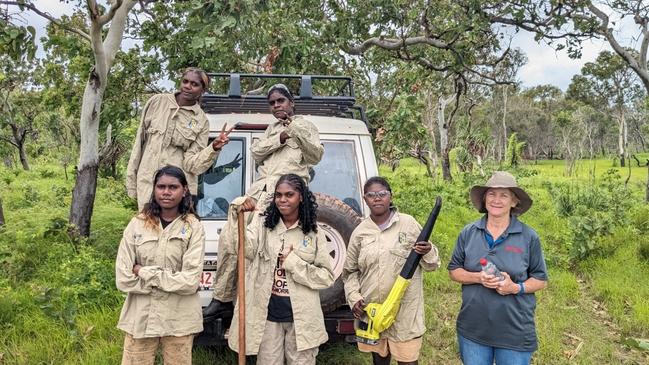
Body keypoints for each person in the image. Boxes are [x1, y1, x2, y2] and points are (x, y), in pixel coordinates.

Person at [203, 83, 324, 318]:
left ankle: (246, 301)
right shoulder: (271, 129)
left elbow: (315, 155)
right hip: (261, 188)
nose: (277, 106)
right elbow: (257, 152)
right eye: (272, 103)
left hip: (286, 191)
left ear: (291, 102)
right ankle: (223, 296)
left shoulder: (306, 125)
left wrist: (295, 131)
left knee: (259, 244)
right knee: (231, 233)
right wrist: (281, 136)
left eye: (281, 101)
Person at [226, 174, 334, 364]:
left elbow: (325, 277)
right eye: (278, 195)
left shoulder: (314, 232)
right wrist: (236, 215)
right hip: (268, 315)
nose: (282, 200)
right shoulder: (263, 225)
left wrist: (294, 263)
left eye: (289, 194)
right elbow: (242, 248)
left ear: (300, 197)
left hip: (303, 318)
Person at [448, 171, 548, 365]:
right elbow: (454, 270)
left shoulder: (528, 237)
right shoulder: (469, 233)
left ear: (514, 202)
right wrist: (479, 278)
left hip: (514, 330)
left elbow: (540, 280)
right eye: (492, 194)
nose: (496, 200)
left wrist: (515, 288)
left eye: (504, 195)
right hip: (473, 328)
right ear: (484, 199)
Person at [343, 176, 441, 365]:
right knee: (379, 361)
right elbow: (350, 272)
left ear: (391, 196)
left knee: (408, 361)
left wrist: (428, 250)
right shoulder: (360, 232)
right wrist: (354, 297)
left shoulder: (408, 224)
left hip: (404, 315)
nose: (377, 198)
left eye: (382, 194)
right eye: (371, 195)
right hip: (373, 314)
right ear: (365, 199)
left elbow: (432, 265)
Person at [115, 165, 205, 365]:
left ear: (184, 191)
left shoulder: (193, 227)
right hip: (141, 316)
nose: (166, 192)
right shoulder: (137, 224)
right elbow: (123, 279)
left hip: (179, 318)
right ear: (154, 189)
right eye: (161, 186)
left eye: (173, 187)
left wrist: (143, 271)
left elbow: (190, 281)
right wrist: (171, 280)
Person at [126, 67, 232, 210]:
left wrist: (213, 148)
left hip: (177, 191)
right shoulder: (157, 102)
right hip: (148, 184)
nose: (188, 86)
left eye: (194, 84)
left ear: (202, 90)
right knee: (148, 228)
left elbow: (192, 165)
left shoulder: (201, 121)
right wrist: (132, 182)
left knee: (174, 230)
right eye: (185, 81)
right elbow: (139, 144)